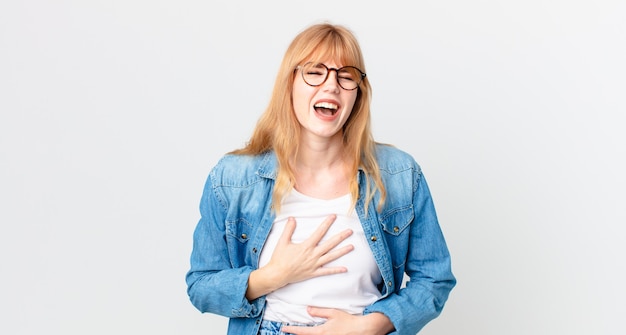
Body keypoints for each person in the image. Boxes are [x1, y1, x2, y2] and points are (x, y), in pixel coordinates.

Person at [186, 22, 456, 335]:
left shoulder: (399, 175)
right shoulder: (234, 177)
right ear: (290, 83)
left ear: (358, 93)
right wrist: (272, 275)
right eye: (315, 72)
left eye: (346, 76)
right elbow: (200, 285)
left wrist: (373, 325)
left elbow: (435, 279)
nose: (331, 86)